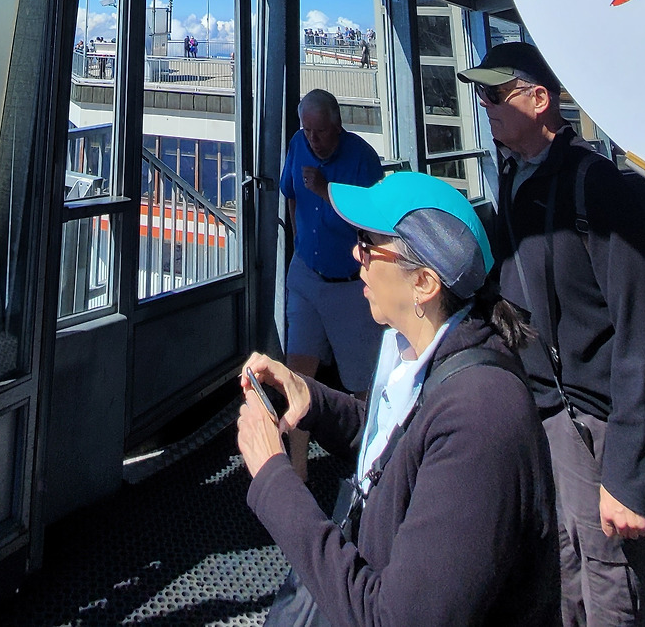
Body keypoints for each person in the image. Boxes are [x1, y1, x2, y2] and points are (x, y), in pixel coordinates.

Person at [239, 172, 559, 627]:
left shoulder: (481, 418)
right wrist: (311, 399)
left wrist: (274, 477)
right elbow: (399, 448)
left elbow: (393, 618)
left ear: (424, 283)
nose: (356, 254)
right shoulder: (420, 349)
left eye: (369, 244)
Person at [456, 43, 645, 627]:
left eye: (495, 94)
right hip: (543, 405)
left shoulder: (594, 185)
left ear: (539, 99)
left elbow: (642, 329)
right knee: (561, 564)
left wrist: (626, 476)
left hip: (591, 418)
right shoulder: (514, 173)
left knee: (609, 574)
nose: (484, 106)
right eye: (481, 96)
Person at [280, 90, 383, 479]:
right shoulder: (297, 145)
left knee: (362, 383)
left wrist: (327, 190)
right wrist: (299, 244)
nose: (313, 140)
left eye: (320, 132)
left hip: (349, 285)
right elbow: (291, 196)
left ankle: (373, 468)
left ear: (337, 126)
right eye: (307, 131)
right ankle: (298, 469)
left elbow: (374, 221)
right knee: (298, 374)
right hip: (306, 276)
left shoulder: (362, 159)